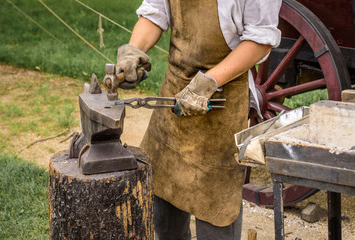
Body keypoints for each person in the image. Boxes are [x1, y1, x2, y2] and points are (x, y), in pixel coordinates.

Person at [116, 0, 282, 239]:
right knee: (163, 205)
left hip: (221, 102)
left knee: (215, 212)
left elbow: (260, 41)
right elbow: (155, 11)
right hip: (174, 93)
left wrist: (208, 82)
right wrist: (134, 50)